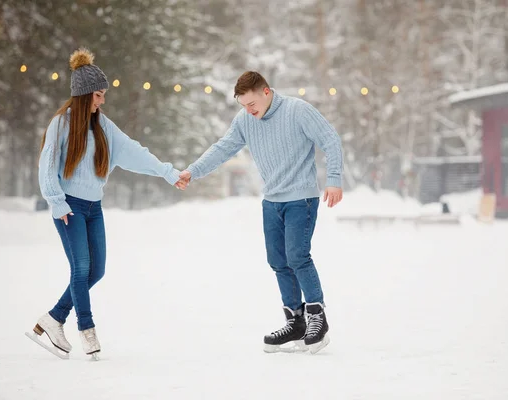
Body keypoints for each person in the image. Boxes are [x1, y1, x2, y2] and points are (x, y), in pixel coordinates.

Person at [177, 71, 343, 354]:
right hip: (272, 201)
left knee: (297, 256)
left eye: (252, 104)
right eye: (243, 105)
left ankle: (318, 317)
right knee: (278, 261)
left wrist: (335, 179)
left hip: (301, 198)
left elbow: (330, 139)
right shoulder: (245, 121)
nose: (248, 110)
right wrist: (193, 171)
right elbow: (222, 149)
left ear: (266, 92)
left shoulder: (297, 111)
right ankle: (295, 322)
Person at [32, 48, 181, 358]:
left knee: (96, 270)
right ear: (84, 94)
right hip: (69, 206)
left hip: (93, 208)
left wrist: (168, 173)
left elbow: (134, 151)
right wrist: (57, 203)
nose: (102, 101)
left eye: (103, 95)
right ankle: (87, 331)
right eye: (98, 95)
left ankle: (54, 318)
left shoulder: (103, 127)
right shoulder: (62, 124)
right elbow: (47, 166)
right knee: (80, 268)